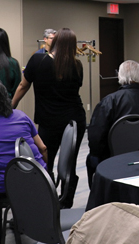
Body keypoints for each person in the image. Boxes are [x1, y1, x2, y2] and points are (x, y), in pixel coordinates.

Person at [12, 28, 86, 208]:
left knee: (45, 160)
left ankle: (48, 199)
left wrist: (11, 106)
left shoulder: (38, 60)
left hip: (49, 120)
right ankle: (66, 201)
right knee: (70, 162)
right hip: (75, 120)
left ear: (55, 42)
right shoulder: (77, 65)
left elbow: (23, 86)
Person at [87, 60, 139, 184]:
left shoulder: (108, 101)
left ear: (119, 78)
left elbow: (95, 139)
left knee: (91, 158)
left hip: (113, 160)